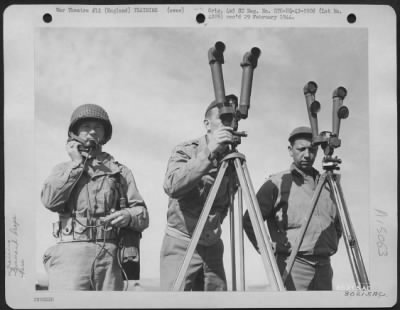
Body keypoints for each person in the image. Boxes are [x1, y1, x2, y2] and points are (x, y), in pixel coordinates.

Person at [41, 103, 149, 291]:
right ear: (74, 133)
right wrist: (76, 164)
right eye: (85, 127)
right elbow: (50, 201)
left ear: (105, 134)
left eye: (98, 127)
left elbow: (143, 214)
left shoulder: (120, 172)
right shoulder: (62, 169)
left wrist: (128, 216)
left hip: (110, 256)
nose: (92, 132)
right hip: (71, 254)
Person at [243, 126, 342, 291]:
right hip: (293, 266)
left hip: (324, 267)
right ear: (290, 150)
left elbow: (338, 224)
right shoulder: (277, 183)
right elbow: (249, 220)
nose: (307, 155)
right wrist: (266, 249)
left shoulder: (328, 184)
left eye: (312, 149)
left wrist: (331, 243)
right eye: (301, 149)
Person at [160, 98, 236, 291]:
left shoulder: (231, 161)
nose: (230, 125)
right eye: (224, 118)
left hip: (212, 247)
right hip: (181, 243)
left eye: (233, 120)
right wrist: (210, 153)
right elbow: (172, 186)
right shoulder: (186, 150)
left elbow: (226, 203)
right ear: (207, 124)